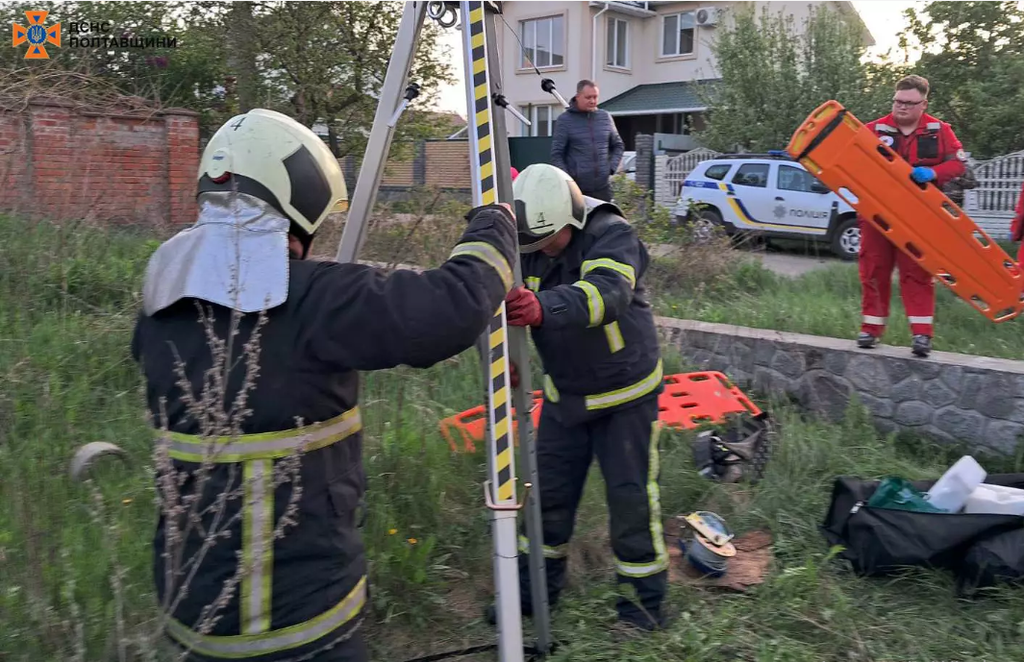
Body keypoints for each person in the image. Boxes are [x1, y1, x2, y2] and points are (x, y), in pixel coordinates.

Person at [131, 108, 518, 662]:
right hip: (300, 625)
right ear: (301, 201)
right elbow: (452, 307)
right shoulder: (315, 300)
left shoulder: (159, 302)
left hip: (193, 610)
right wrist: (495, 224)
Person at [496, 162, 668, 632]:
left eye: (549, 242)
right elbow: (497, 300)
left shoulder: (613, 234)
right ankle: (533, 595)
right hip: (565, 397)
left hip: (626, 396)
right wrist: (505, 355)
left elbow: (605, 294)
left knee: (631, 501)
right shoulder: (530, 240)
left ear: (572, 219)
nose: (540, 253)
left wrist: (543, 307)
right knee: (545, 500)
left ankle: (642, 609)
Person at [857, 74, 968, 358]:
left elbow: (958, 164)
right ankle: (871, 329)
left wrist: (934, 173)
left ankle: (921, 335)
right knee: (873, 269)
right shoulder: (873, 129)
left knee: (917, 273)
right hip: (878, 212)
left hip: (920, 215)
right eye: (897, 101)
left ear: (923, 104)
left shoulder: (939, 130)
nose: (901, 107)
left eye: (908, 103)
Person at [550, 79, 626, 202]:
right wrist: (568, 180)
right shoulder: (565, 120)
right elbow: (556, 154)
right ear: (578, 96)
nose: (592, 101)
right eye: (588, 97)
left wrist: (611, 168)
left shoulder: (605, 117)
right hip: (577, 189)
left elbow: (618, 145)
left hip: (602, 188)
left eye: (595, 97)